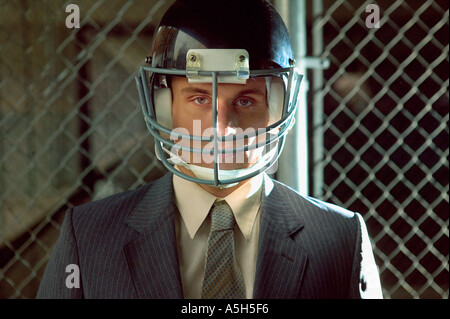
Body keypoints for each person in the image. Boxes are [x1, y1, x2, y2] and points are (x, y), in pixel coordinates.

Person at [37, 0, 382, 299]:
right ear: (164, 105)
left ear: (278, 107)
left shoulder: (340, 239)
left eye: (246, 100)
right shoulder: (89, 239)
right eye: (199, 98)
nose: (221, 128)